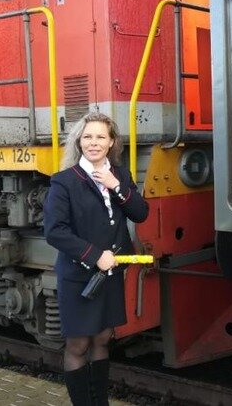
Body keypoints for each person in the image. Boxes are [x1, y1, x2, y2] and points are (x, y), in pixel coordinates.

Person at [44, 112, 149, 406]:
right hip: (79, 275)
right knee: (79, 343)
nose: (94, 143)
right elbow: (55, 232)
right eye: (88, 136)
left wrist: (116, 185)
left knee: (103, 338)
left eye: (101, 136)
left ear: (111, 141)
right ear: (79, 140)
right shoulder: (64, 181)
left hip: (111, 275)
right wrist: (94, 256)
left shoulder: (120, 174)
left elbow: (140, 213)